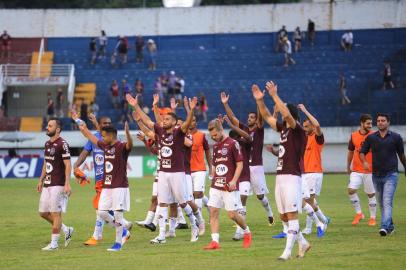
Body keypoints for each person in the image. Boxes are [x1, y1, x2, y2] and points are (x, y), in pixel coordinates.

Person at [126, 93, 200, 244]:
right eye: (163, 118)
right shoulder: (159, 131)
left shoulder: (179, 133)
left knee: (183, 203)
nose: (163, 120)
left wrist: (191, 110)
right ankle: (161, 235)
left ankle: (194, 226)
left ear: (174, 122)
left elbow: (186, 124)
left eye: (167, 119)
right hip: (163, 173)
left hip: (177, 173)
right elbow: (147, 121)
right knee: (162, 203)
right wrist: (135, 105)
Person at [252, 82, 310, 260]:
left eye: (284, 110)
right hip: (281, 178)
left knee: (291, 215)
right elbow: (268, 116)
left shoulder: (297, 129)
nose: (281, 112)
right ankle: (303, 242)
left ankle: (286, 253)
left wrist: (274, 95)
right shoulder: (284, 129)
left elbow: (286, 114)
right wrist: (260, 101)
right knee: (283, 216)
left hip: (292, 177)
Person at [72, 112, 133, 251]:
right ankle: (123, 228)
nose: (102, 139)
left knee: (117, 213)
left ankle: (118, 243)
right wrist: (81, 124)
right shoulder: (105, 146)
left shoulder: (121, 146)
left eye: (104, 136)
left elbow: (130, 145)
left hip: (119, 186)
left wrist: (128, 133)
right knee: (101, 212)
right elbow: (91, 136)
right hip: (106, 185)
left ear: (111, 136)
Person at [221, 92, 274, 227]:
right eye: (249, 117)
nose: (249, 119)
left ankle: (269, 213)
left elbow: (261, 117)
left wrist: (258, 101)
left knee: (260, 196)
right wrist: (225, 104)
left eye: (252, 117)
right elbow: (232, 118)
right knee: (242, 195)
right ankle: (241, 223)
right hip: (244, 168)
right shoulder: (243, 129)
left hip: (256, 167)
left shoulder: (259, 129)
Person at [203, 119, 252, 250]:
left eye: (215, 135)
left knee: (232, 215)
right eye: (211, 136)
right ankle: (215, 242)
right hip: (216, 185)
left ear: (221, 130)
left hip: (229, 186)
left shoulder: (233, 143)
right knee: (213, 212)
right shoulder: (216, 146)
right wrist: (212, 175)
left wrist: (234, 181)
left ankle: (247, 232)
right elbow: (215, 164)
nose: (213, 138)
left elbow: (240, 164)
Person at [360, 113, 406, 236]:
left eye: (383, 120)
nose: (380, 122)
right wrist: (364, 162)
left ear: (388, 122)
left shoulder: (396, 137)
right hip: (376, 175)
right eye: (378, 120)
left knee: (387, 201)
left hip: (391, 174)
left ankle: (384, 227)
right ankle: (390, 226)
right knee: (381, 203)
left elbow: (401, 155)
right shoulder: (371, 138)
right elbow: (362, 152)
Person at [37, 118, 73, 250]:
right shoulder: (47, 144)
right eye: (47, 125)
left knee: (55, 213)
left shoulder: (62, 144)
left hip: (58, 183)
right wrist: (41, 180)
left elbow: (68, 164)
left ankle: (54, 244)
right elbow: (46, 164)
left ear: (57, 129)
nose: (47, 127)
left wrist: (67, 183)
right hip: (47, 183)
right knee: (43, 212)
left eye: (50, 126)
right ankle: (66, 229)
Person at [298, 104, 329, 235]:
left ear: (311, 126)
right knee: (309, 201)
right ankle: (322, 220)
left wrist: (305, 111)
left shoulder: (317, 138)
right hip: (304, 173)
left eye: (306, 126)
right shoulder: (303, 139)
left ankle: (317, 224)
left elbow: (317, 125)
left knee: (307, 201)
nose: (304, 129)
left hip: (314, 173)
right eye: (303, 127)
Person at [347, 114, 377, 226]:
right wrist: (348, 166)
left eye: (371, 123)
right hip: (356, 170)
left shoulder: (375, 135)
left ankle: (373, 218)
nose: (370, 125)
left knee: (370, 194)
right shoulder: (354, 135)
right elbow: (350, 152)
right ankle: (359, 214)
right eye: (368, 123)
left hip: (370, 170)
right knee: (351, 190)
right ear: (362, 123)